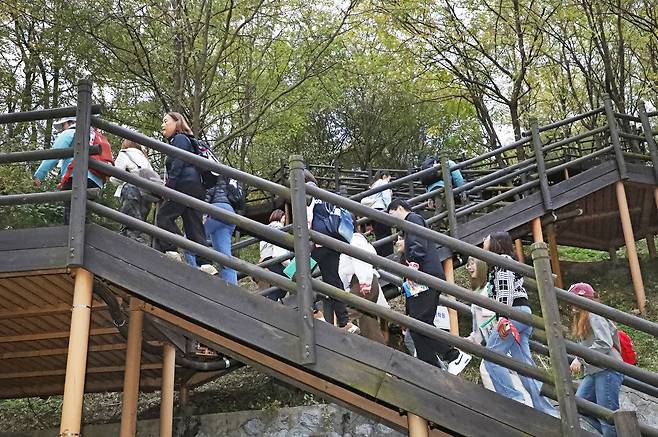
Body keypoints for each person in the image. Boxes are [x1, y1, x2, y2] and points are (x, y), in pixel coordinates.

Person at [387, 198, 470, 375]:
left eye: (392, 215)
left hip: (425, 278)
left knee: (419, 323)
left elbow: (419, 247)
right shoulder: (407, 226)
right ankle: (431, 369)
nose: (392, 220)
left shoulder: (413, 219)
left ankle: (454, 355)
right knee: (417, 327)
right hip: (419, 280)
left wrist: (408, 252)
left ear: (399, 208)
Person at [481, 231, 556, 415]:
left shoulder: (503, 260)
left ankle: (513, 399)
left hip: (512, 313)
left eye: (487, 239)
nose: (484, 242)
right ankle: (547, 411)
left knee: (492, 356)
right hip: (522, 315)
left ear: (496, 243)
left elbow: (505, 291)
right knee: (525, 366)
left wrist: (503, 318)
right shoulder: (504, 262)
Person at [464, 257, 532, 404]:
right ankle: (516, 402)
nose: (469, 267)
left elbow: (493, 316)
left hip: (501, 335)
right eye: (468, 264)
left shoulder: (490, 287)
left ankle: (516, 402)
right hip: (494, 337)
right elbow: (478, 325)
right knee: (495, 367)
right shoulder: (478, 290)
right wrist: (471, 339)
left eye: (473, 263)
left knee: (495, 365)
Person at [153, 112, 213, 272]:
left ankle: (172, 249)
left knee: (164, 216)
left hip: (184, 184)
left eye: (166, 121)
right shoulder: (190, 141)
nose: (162, 125)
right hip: (196, 186)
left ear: (177, 122)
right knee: (193, 225)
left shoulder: (179, 139)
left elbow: (178, 162)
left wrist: (170, 186)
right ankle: (206, 263)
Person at [569, 282, 623, 437]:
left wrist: (580, 358)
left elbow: (604, 343)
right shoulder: (583, 318)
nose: (571, 304)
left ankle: (614, 433)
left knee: (606, 415)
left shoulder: (594, 314)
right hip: (595, 371)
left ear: (583, 300)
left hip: (607, 369)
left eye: (574, 299)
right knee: (579, 405)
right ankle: (615, 433)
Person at [33, 117, 103, 224]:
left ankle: (72, 239)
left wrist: (40, 174)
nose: (62, 129)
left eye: (62, 126)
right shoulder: (95, 136)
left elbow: (55, 154)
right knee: (82, 213)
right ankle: (83, 239)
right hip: (95, 179)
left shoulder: (70, 132)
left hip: (74, 176)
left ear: (68, 123)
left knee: (71, 214)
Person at [305, 170, 352, 331]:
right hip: (332, 241)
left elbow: (308, 218)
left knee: (296, 273)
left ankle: (315, 312)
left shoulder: (307, 189)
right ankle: (345, 322)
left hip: (318, 244)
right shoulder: (323, 194)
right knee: (332, 280)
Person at [338, 227, 390, 343]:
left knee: (344, 315)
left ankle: (346, 335)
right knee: (368, 323)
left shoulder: (355, 239)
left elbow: (361, 259)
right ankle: (378, 351)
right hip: (365, 281)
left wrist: (364, 281)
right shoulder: (356, 239)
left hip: (361, 282)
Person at [110, 139, 156, 243]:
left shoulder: (125, 154)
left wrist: (112, 179)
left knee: (129, 227)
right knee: (138, 226)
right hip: (146, 193)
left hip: (131, 191)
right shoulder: (145, 157)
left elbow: (116, 176)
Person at [204, 172, 239, 283]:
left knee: (190, 237)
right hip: (231, 214)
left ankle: (192, 268)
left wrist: (201, 211)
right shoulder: (231, 181)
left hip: (217, 208)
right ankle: (232, 286)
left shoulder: (213, 176)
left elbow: (208, 194)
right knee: (225, 255)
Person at [360, 170, 393, 257]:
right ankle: (388, 257)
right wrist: (389, 208)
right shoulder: (383, 182)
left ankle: (379, 256)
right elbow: (386, 198)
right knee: (386, 235)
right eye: (389, 178)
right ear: (385, 176)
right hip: (381, 210)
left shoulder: (373, 184)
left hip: (373, 211)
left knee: (379, 235)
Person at [259, 209, 291, 300]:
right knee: (284, 281)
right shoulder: (279, 227)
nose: (284, 220)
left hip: (266, 258)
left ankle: (273, 300)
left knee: (276, 282)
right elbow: (279, 250)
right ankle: (272, 301)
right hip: (275, 258)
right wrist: (286, 263)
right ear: (280, 217)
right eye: (284, 218)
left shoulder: (265, 229)